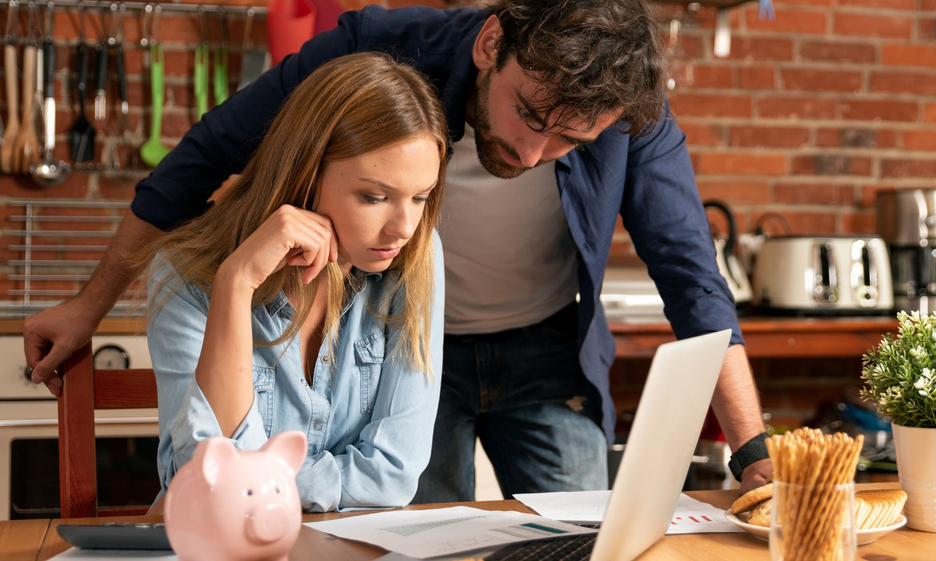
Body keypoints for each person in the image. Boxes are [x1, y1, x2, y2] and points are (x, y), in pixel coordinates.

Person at [24, 0, 773, 498]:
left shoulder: (625, 116)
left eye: (569, 139)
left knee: (576, 536)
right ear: (490, 45)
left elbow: (689, 274)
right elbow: (203, 158)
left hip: (540, 347)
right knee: (417, 533)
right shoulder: (377, 55)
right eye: (531, 113)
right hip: (408, 335)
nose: (534, 148)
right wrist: (92, 305)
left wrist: (750, 454)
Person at [140, 53, 448, 511]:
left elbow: (393, 475)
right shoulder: (186, 274)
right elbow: (209, 484)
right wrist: (236, 282)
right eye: (375, 197)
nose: (403, 226)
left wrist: (258, 480)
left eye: (420, 197)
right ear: (306, 173)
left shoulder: (417, 255)